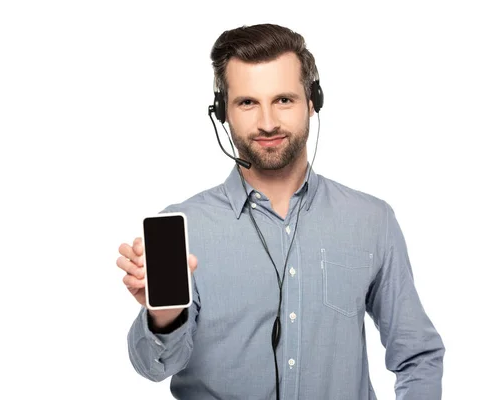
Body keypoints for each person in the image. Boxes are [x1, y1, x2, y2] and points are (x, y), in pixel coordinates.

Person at [116, 23, 445, 400]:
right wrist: (165, 316)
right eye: (247, 102)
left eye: (284, 100)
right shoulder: (184, 229)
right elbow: (153, 368)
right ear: (222, 111)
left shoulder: (372, 220)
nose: (268, 122)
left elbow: (418, 355)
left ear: (312, 101)